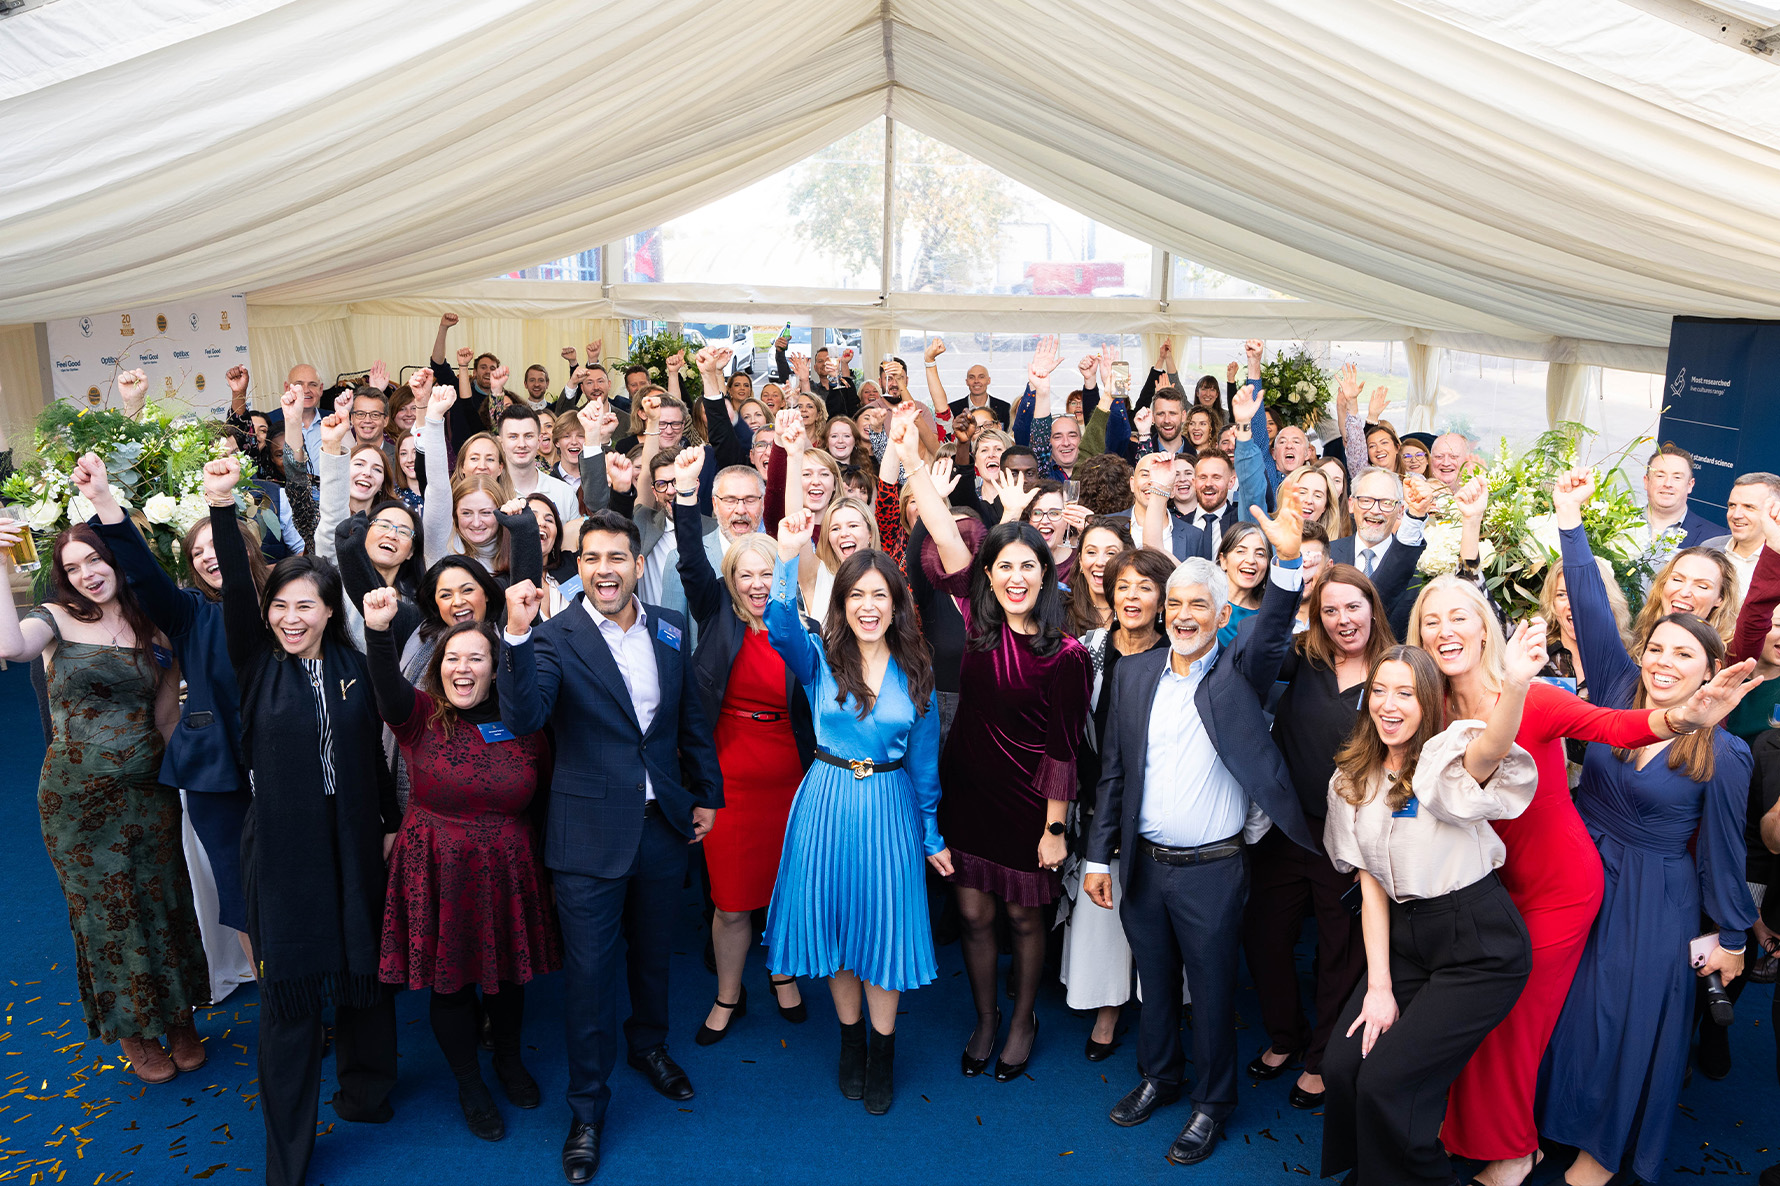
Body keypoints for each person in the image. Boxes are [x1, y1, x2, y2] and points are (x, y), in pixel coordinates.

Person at [1413, 477, 1740, 1186]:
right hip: (1545, 869)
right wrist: (1567, 518)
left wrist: (1733, 933)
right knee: (1565, 1019)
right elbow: (1578, 609)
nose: (1665, 663)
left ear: (1711, 667)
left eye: (1686, 656)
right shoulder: (1605, 680)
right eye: (1658, 651)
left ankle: (1544, 1148)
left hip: (1630, 891)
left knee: (1610, 1024)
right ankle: (1528, 1130)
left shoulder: (1714, 742)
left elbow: (1719, 843)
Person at [1081, 488, 1316, 1166]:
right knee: (1155, 981)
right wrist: (1099, 860)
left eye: (1198, 606)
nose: (1184, 616)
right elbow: (1115, 774)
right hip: (1145, 865)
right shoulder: (1134, 673)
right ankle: (1161, 1074)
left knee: (1211, 994)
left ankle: (1213, 1104)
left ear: (1220, 615)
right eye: (1175, 603)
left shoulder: (1239, 671)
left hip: (1214, 869)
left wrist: (1290, 563)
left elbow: (1273, 628)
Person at [496, 510, 722, 1185]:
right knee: (591, 980)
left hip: (661, 829)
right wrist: (512, 632)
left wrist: (704, 793)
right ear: (579, 566)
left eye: (616, 557)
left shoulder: (671, 627)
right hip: (588, 837)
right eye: (591, 558)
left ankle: (648, 1047)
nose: (603, 570)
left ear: (635, 563)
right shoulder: (552, 636)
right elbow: (525, 717)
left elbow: (689, 721)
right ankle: (587, 1109)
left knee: (654, 958)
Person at [204, 456, 399, 1186]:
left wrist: (384, 818)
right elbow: (234, 595)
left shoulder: (351, 666)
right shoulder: (257, 664)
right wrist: (223, 510)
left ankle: (368, 1091)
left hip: (351, 836)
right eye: (281, 606)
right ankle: (287, 1154)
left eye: (305, 606)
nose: (291, 618)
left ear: (327, 611)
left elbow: (371, 755)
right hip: (283, 848)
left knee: (362, 967)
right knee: (289, 994)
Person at [904, 403, 1093, 1084]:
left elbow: (1064, 750)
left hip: (1026, 809)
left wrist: (1054, 829)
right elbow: (943, 533)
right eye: (1004, 567)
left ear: (1046, 576)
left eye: (1028, 568)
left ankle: (1021, 1018)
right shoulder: (978, 628)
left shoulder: (1067, 654)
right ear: (989, 577)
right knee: (974, 915)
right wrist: (910, 456)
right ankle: (984, 1017)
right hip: (968, 795)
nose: (1015, 577)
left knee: (1022, 919)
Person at [1318, 638, 1543, 1186]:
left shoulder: (1446, 759)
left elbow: (1489, 751)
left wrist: (1514, 684)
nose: (1389, 705)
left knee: (1389, 1082)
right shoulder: (1350, 779)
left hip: (1479, 943)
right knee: (1343, 1066)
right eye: (1379, 690)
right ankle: (1374, 1174)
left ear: (1429, 702)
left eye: (1405, 693)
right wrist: (1379, 988)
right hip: (1405, 936)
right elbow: (1370, 888)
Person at [0, 498, 209, 1085]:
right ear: (62, 578)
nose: (88, 573)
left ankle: (180, 1017)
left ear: (115, 560)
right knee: (108, 915)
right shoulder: (53, 621)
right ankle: (135, 1031)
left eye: (95, 559)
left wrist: (190, 782)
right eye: (73, 567)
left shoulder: (156, 626)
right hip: (77, 801)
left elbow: (167, 718)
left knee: (165, 902)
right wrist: (0, 565)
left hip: (150, 792)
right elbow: (10, 647)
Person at [761, 507, 951, 1115]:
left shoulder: (917, 672)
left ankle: (884, 1050)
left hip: (890, 808)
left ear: (896, 604)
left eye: (880, 595)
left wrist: (931, 835)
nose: (868, 605)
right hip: (826, 802)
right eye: (857, 595)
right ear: (842, 604)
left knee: (884, 932)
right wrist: (788, 559)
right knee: (839, 932)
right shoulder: (818, 658)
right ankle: (850, 1043)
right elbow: (780, 626)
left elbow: (924, 767)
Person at [361, 588, 560, 1143]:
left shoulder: (526, 723)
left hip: (510, 864)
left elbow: (543, 794)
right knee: (450, 984)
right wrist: (378, 632)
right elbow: (384, 686)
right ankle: (469, 1081)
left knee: (508, 978)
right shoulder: (418, 717)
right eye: (453, 658)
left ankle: (509, 1061)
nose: (462, 667)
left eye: (476, 657)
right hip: (437, 862)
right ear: (438, 668)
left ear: (496, 671)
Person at [667, 448, 814, 1043]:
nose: (756, 584)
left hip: (789, 776)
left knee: (783, 888)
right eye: (745, 574)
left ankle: (782, 976)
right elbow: (688, 562)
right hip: (725, 778)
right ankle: (728, 995)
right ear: (730, 582)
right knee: (729, 901)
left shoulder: (795, 627)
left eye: (766, 574)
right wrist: (683, 493)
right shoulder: (716, 609)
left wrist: (789, 557)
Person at [1242, 564, 1395, 1109]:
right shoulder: (1303, 656)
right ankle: (1286, 1035)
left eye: (1352, 606)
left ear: (1373, 607)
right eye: (1329, 609)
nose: (1341, 619)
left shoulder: (1392, 669)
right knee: (1263, 937)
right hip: (1287, 829)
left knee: (1340, 951)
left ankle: (1322, 1056)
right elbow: (1256, 654)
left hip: (1351, 837)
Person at [1061, 546, 1171, 1058]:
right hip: (1099, 798)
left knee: (1155, 908)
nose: (1132, 596)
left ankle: (1161, 1004)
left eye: (1145, 587)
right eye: (1123, 585)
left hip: (1162, 805)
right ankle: (1107, 1008)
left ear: (1163, 598)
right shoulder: (1088, 649)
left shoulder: (1178, 655)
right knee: (1103, 907)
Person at [1704, 471, 1780, 598]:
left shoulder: (1776, 560)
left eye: (1749, 507)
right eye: (1732, 505)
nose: (1736, 515)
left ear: (1774, 511)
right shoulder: (1710, 547)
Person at [1640, 444, 1720, 556]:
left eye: (1677, 477)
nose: (1668, 484)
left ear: (1690, 485)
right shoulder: (1615, 523)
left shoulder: (1715, 538)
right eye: (1660, 476)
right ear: (1646, 482)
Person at [924, 338, 1010, 426]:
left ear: (989, 380)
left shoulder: (1005, 408)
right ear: (967, 381)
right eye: (972, 377)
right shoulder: (953, 409)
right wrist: (929, 361)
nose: (976, 381)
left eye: (981, 377)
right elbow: (940, 406)